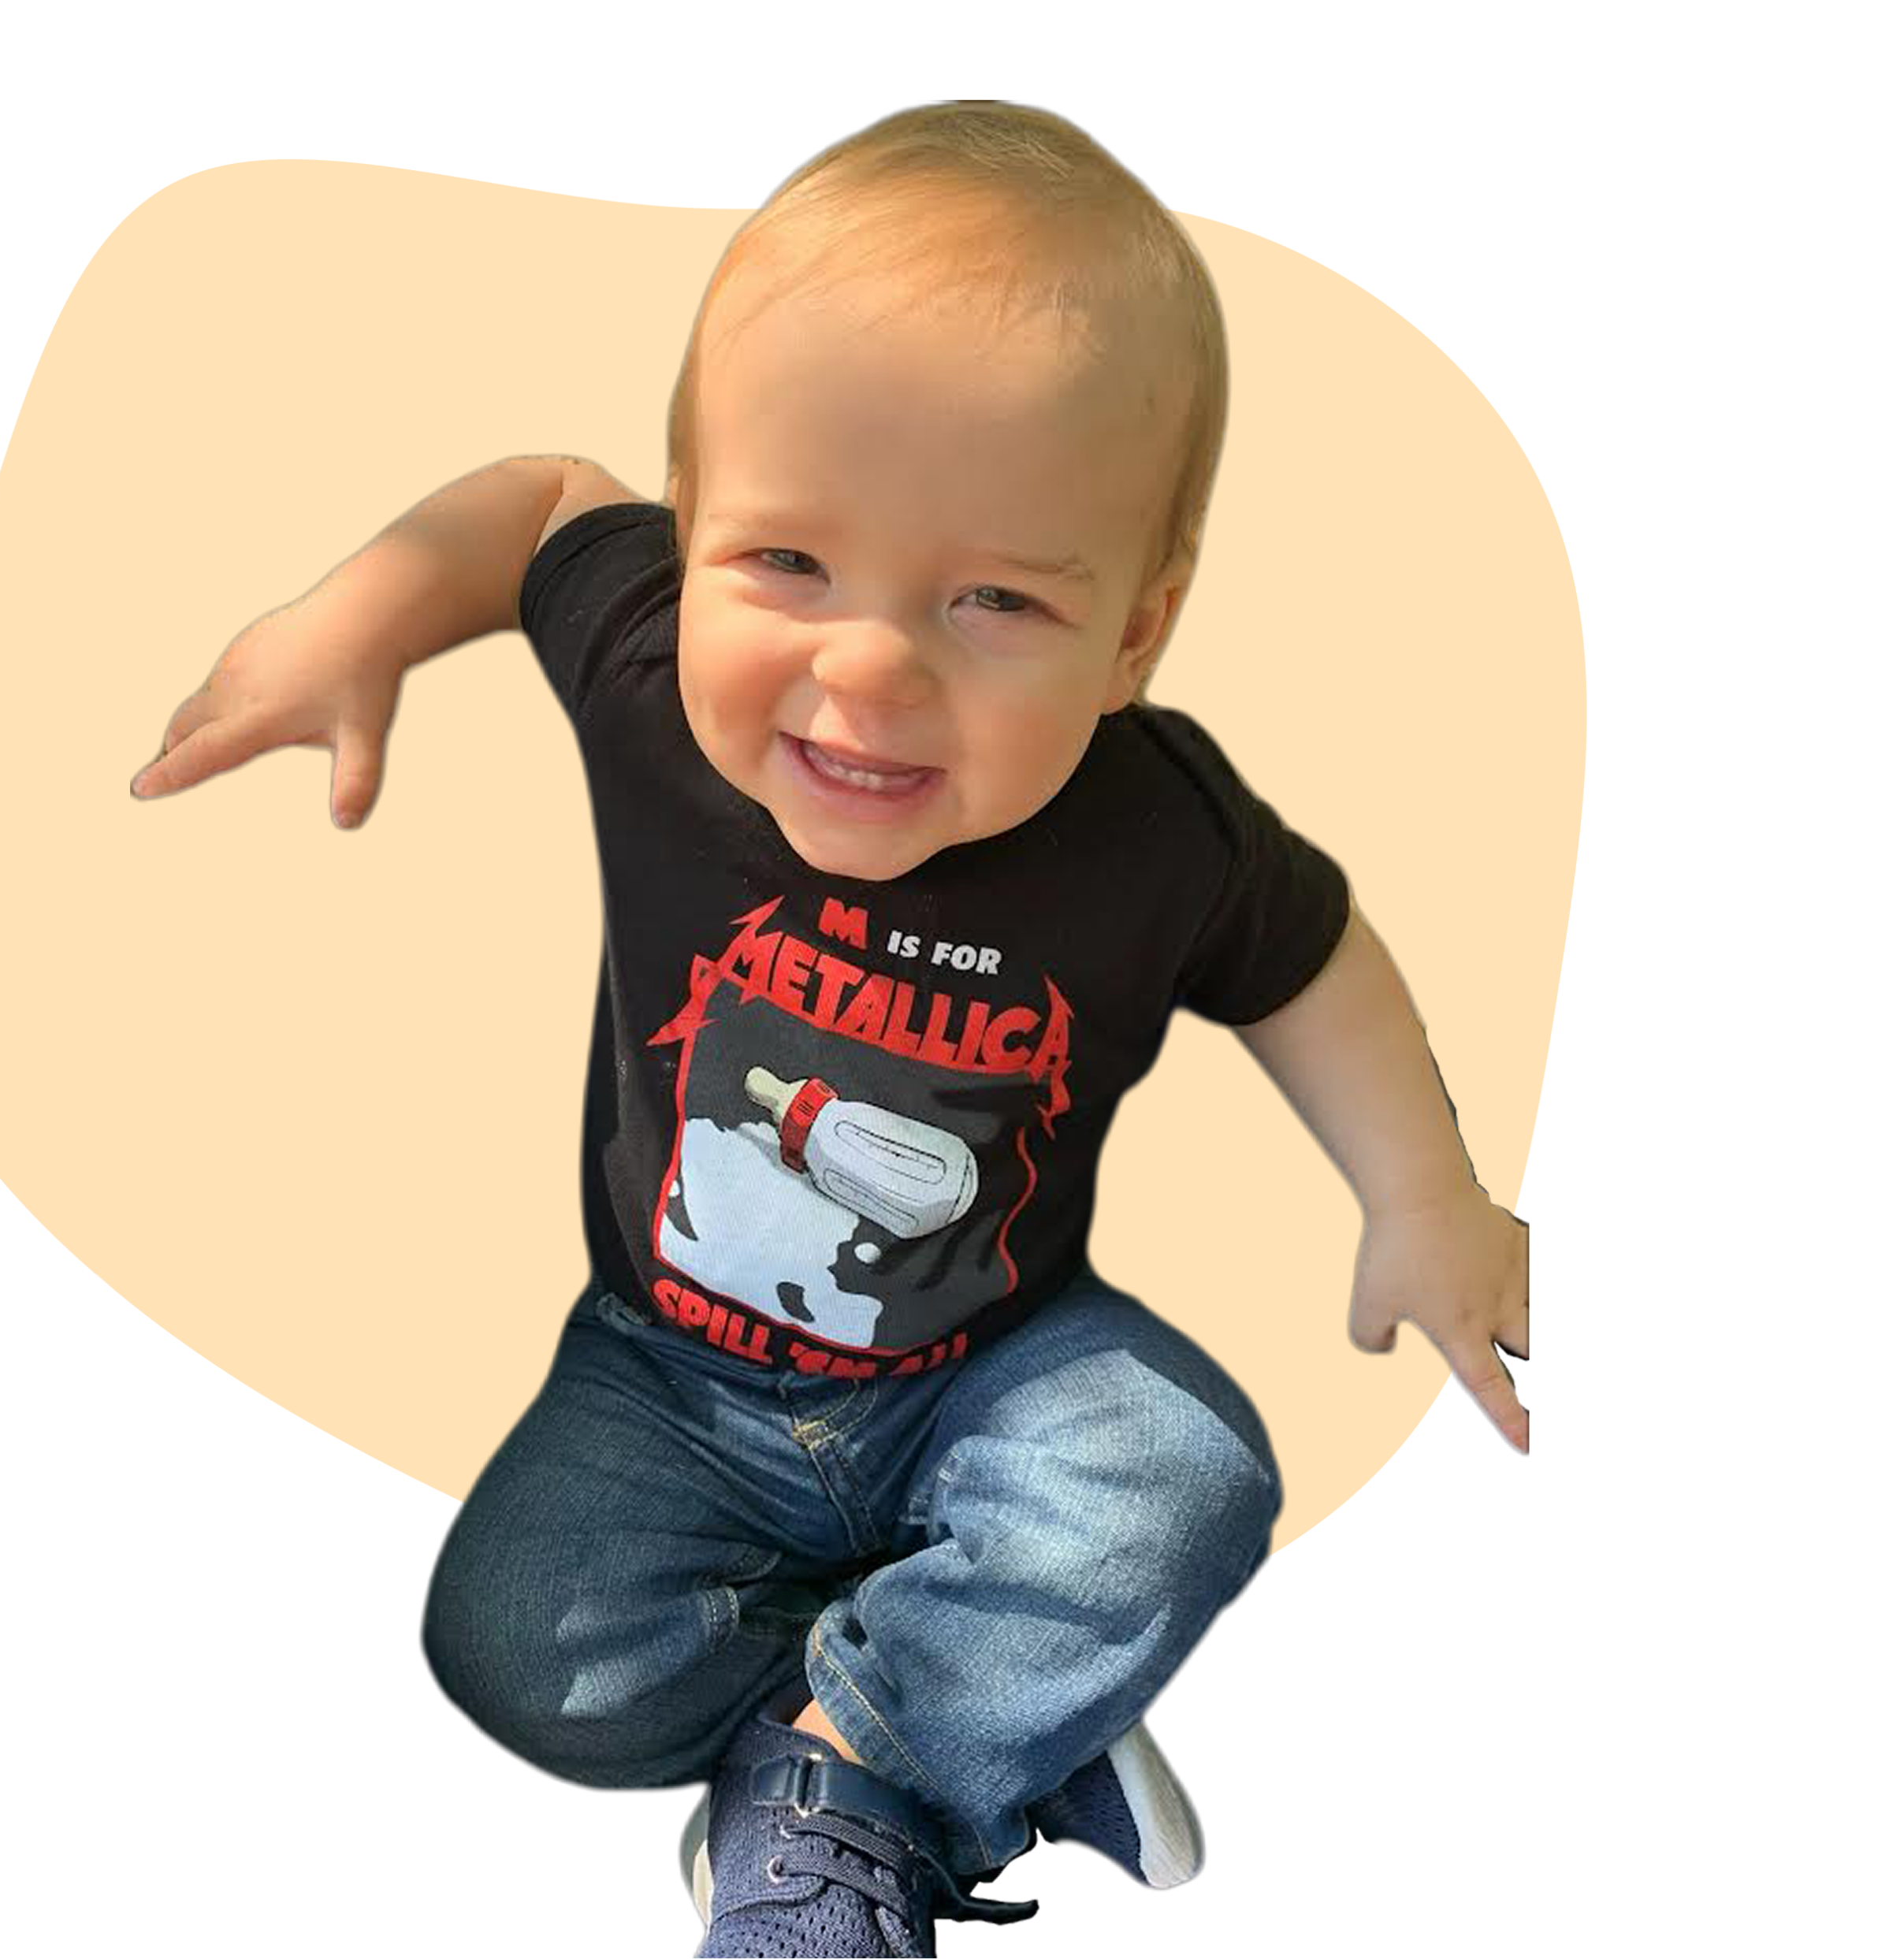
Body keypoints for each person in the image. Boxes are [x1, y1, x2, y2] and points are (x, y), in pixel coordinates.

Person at [129, 101, 1530, 1957]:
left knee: (1181, 1477)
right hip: (667, 1372)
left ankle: (833, 1793)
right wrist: (356, 616)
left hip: (993, 1370)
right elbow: (542, 498)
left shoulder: (1153, 827)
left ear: (1134, 636)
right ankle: (958, 1716)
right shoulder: (645, 676)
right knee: (510, 1652)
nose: (867, 667)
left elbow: (1309, 953)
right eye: (785, 563)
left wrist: (1420, 1190)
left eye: (996, 599)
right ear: (693, 534)